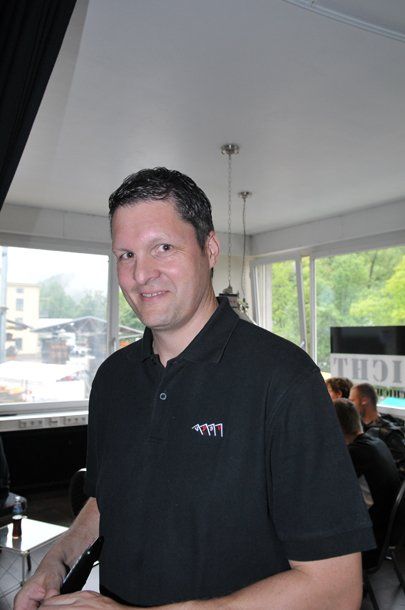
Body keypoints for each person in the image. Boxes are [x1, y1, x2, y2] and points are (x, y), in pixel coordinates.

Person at [15, 168, 374, 610]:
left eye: (163, 248)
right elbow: (106, 501)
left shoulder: (284, 379)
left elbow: (335, 589)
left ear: (210, 249)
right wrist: (55, 562)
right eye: (126, 254)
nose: (141, 273)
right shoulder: (113, 379)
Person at [334, 398, 400, 560]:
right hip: (387, 533)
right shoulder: (377, 443)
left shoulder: (355, 454)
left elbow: (326, 491)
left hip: (370, 544)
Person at [349, 383, 405, 477]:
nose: (351, 406)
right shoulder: (356, 426)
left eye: (352, 401)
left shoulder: (390, 433)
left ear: (364, 400)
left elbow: (401, 470)